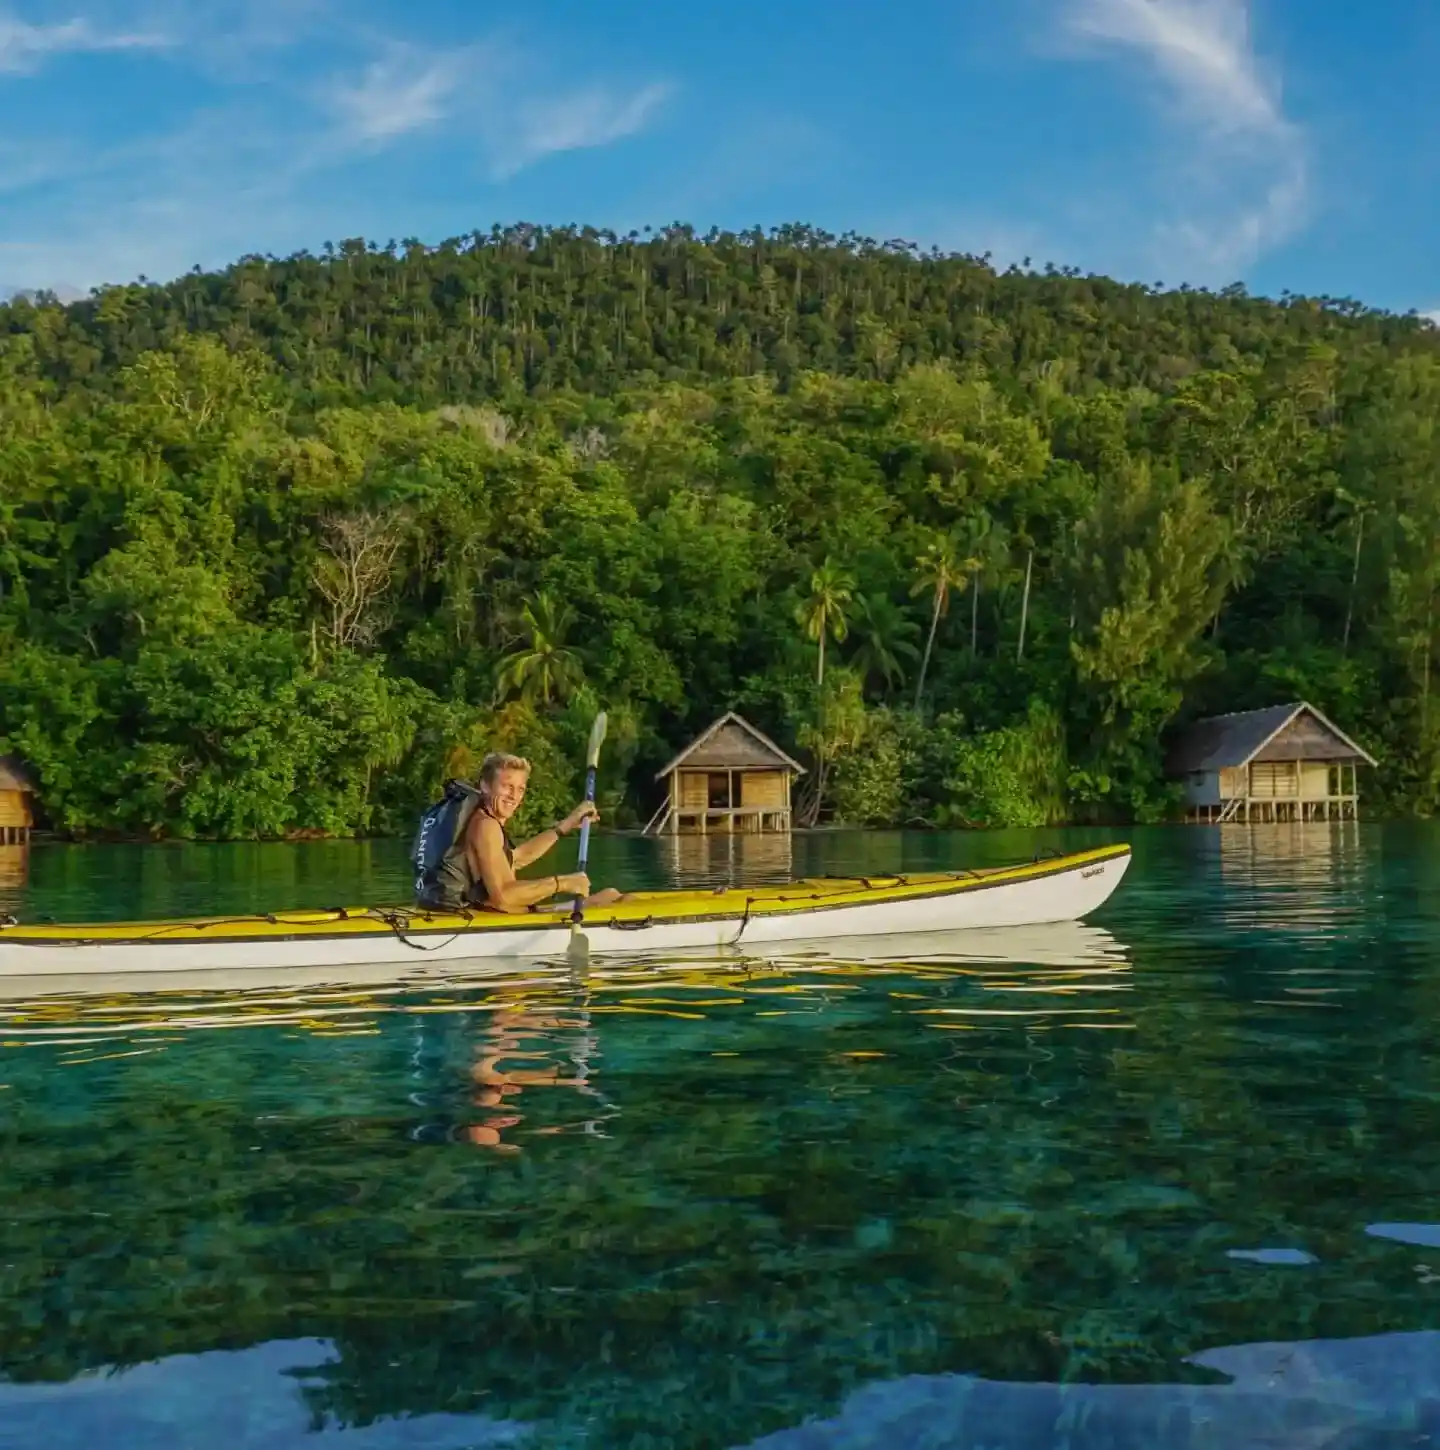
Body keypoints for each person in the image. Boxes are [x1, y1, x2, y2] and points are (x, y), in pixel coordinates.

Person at [453, 751, 624, 914]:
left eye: (520, 789)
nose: (514, 796)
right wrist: (563, 883)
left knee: (611, 894)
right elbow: (503, 896)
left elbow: (518, 857)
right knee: (623, 901)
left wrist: (565, 825)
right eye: (507, 786)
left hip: (509, 913)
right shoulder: (486, 826)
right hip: (500, 919)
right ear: (485, 786)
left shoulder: (483, 818)